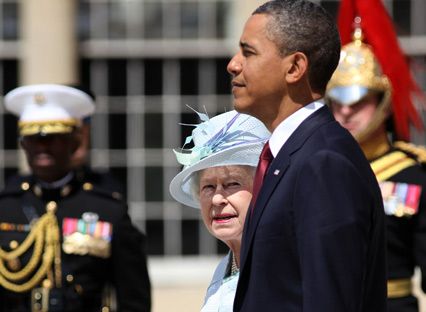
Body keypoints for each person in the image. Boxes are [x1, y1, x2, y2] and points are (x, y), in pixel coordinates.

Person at [226, 1, 387, 311]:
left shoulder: (323, 162)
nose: (234, 64)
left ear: (295, 68)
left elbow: (330, 301)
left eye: (249, 52)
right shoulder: (290, 155)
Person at [0, 84, 151, 311]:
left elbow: (134, 298)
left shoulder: (107, 209)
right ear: (23, 145)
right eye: (34, 138)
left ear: (74, 142)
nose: (43, 146)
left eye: (53, 137)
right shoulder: (6, 207)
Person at [326, 17, 426, 312]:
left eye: (358, 102)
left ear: (383, 100)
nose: (345, 111)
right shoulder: (317, 167)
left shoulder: (412, 173)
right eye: (337, 102)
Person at [169, 110, 270, 311]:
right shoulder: (224, 268)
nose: (216, 198)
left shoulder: (280, 264)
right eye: (208, 187)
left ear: (262, 188)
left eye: (232, 183)